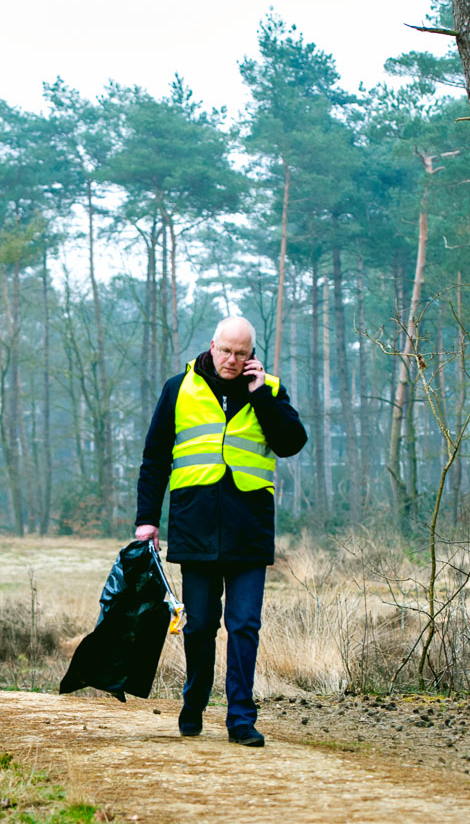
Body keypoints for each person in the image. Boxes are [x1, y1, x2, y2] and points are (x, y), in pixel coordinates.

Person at [134, 315, 306, 747]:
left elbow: (290, 443)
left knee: (245, 624)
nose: (231, 360)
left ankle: (241, 718)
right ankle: (194, 702)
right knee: (200, 625)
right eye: (226, 350)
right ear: (212, 345)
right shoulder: (179, 388)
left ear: (252, 355)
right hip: (195, 527)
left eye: (241, 353)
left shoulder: (269, 390)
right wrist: (147, 520)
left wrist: (261, 396)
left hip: (249, 528)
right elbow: (155, 458)